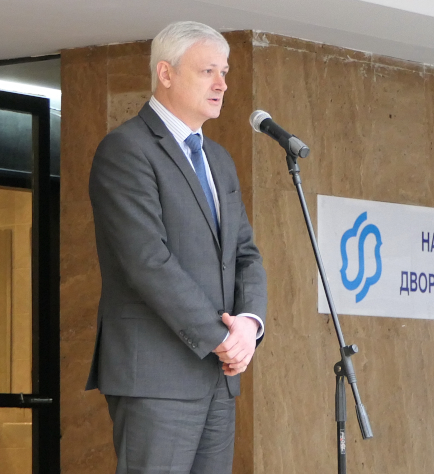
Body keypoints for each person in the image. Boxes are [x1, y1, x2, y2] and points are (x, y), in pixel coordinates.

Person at [85, 21, 268, 474]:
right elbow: (147, 261)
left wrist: (248, 324)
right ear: (165, 73)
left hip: (218, 377)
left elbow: (244, 253)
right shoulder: (126, 149)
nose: (222, 84)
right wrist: (221, 338)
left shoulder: (218, 160)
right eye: (208, 71)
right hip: (156, 376)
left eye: (225, 72)